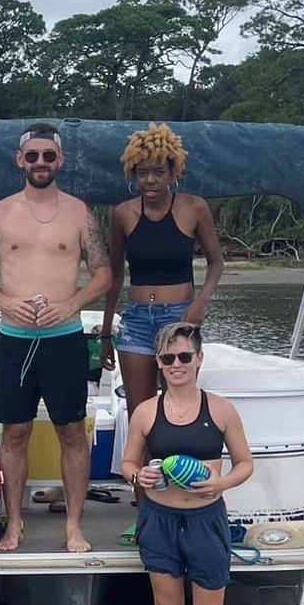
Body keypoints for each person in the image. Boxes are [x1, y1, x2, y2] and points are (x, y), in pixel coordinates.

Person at [0, 123, 111, 553]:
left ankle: (73, 525)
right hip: (14, 339)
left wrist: (72, 305)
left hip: (63, 338)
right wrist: (3, 302)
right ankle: (14, 524)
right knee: (15, 432)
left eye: (49, 155)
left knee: (71, 431)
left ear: (60, 160)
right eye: (33, 156)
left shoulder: (80, 213)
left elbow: (104, 274)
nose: (41, 163)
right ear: (20, 161)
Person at [119, 323, 255, 605]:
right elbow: (128, 464)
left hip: (205, 519)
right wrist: (139, 478)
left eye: (184, 357)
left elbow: (245, 463)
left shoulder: (222, 409)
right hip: (159, 519)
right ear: (159, 364)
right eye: (168, 358)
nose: (176, 364)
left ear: (198, 359)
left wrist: (220, 483)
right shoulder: (147, 412)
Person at [100, 121, 224, 434]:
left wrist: (200, 303)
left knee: (178, 411)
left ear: (172, 172)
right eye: (142, 173)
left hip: (178, 317)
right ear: (133, 174)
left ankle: (177, 481)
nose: (150, 180)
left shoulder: (194, 208)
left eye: (158, 172)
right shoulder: (123, 214)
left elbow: (216, 262)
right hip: (137, 321)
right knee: (140, 415)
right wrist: (104, 334)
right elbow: (114, 274)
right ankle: (141, 483)